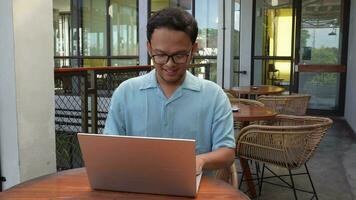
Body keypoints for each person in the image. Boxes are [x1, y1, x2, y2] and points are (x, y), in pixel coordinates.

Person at [104, 7, 235, 175]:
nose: (169, 64)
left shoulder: (214, 96)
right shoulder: (126, 92)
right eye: (160, 55)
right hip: (137, 186)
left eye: (179, 55)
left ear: (193, 49)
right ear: (149, 48)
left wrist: (200, 160)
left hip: (196, 190)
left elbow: (227, 152)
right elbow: (109, 147)